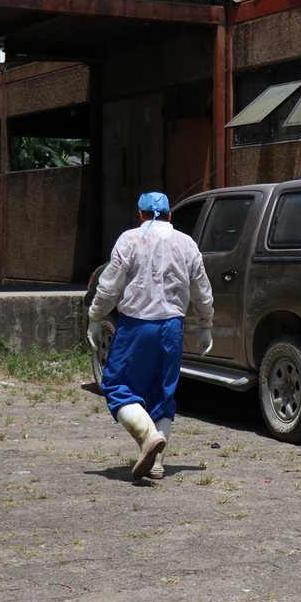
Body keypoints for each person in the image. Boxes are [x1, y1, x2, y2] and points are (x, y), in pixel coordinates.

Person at [86, 191, 214, 481]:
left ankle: (147, 437)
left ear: (140, 214)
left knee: (116, 386)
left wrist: (95, 317)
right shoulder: (187, 243)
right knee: (163, 392)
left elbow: (108, 287)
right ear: (170, 215)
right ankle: (157, 463)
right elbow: (202, 290)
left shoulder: (129, 240)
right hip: (172, 327)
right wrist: (205, 326)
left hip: (136, 326)